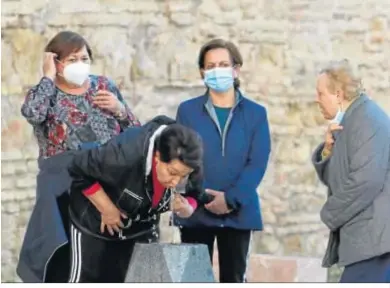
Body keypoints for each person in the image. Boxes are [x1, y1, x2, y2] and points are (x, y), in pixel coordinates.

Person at [66, 115, 212, 283]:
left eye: (183, 176)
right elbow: (77, 168)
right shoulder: (125, 153)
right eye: (172, 173)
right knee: (89, 279)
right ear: (157, 156)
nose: (176, 181)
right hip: (93, 222)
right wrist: (107, 208)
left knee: (139, 278)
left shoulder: (189, 157)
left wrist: (188, 208)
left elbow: (196, 193)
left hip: (141, 224)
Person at [175, 39, 271, 283]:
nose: (217, 70)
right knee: (194, 279)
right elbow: (181, 157)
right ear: (202, 72)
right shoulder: (187, 111)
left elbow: (257, 163)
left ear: (236, 69)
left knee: (234, 279)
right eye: (211, 65)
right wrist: (200, 197)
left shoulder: (256, 113)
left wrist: (230, 199)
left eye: (223, 64)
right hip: (196, 211)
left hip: (238, 212)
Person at [312, 59, 390, 283]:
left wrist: (329, 213)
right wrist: (327, 150)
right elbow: (336, 179)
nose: (316, 100)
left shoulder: (368, 120)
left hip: (375, 245)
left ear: (338, 94)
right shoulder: (350, 121)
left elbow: (366, 182)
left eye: (320, 93)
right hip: (365, 244)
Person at [21, 30, 140, 158]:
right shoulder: (45, 92)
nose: (79, 64)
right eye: (72, 60)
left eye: (84, 59)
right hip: (63, 173)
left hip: (109, 171)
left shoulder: (103, 85)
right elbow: (33, 115)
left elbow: (136, 133)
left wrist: (120, 110)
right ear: (55, 63)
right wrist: (48, 76)